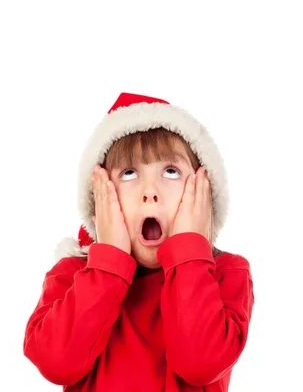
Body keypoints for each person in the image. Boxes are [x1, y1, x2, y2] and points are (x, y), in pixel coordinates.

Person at [23, 92, 255, 391]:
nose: (150, 191)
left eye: (170, 172)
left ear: (201, 196)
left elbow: (199, 364)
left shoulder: (225, 273)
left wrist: (189, 248)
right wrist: (108, 263)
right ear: (102, 200)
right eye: (129, 173)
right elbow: (56, 363)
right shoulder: (73, 274)